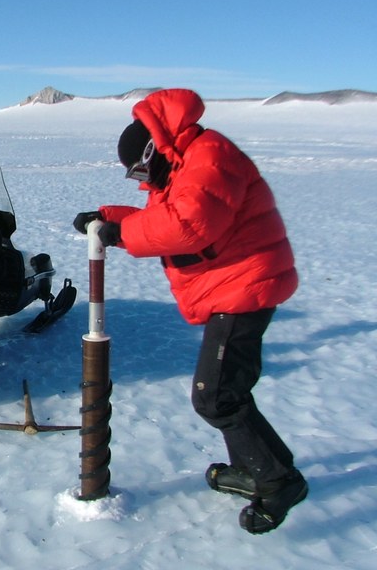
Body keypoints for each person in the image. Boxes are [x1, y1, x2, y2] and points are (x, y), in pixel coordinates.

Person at [73, 88, 307, 534]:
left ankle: (279, 482)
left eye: (139, 169)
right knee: (227, 390)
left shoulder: (209, 155)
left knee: (216, 396)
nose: (142, 178)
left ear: (153, 150)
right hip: (236, 284)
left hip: (244, 285)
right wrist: (108, 217)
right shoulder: (185, 162)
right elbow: (168, 214)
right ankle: (255, 469)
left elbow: (188, 225)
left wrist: (122, 233)